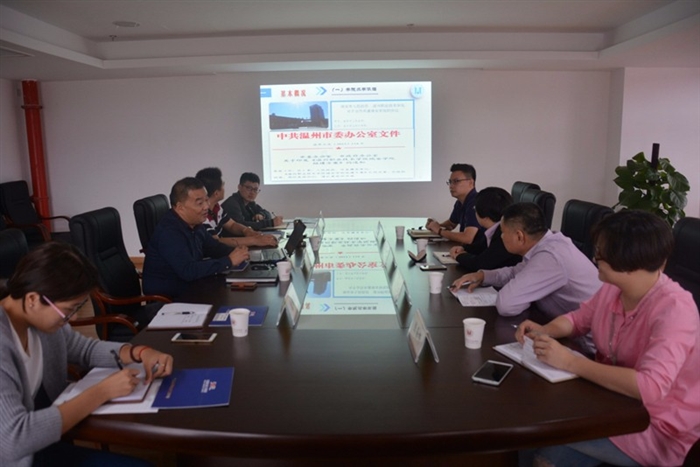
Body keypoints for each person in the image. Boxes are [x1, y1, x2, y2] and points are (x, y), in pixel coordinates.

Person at [516, 210, 700, 467]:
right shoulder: (613, 288)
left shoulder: (675, 309)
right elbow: (578, 319)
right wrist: (546, 330)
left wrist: (570, 362)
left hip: (654, 426)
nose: (595, 257)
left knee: (543, 445)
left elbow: (649, 387)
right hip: (609, 402)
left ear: (627, 259)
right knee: (530, 424)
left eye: (600, 252)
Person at [0, 242, 173, 467]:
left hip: (43, 445)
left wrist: (138, 352)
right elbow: (14, 439)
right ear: (33, 299)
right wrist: (102, 392)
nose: (71, 319)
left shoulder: (36, 318)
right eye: (68, 310)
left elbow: (84, 349)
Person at [451, 202, 601, 320]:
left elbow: (507, 305)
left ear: (519, 236)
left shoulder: (551, 256)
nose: (501, 237)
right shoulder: (547, 244)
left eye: (503, 232)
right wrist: (482, 276)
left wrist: (524, 294)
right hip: (562, 326)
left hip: (586, 342)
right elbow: (515, 273)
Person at [142, 177, 249, 299]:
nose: (206, 207)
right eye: (200, 203)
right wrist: (229, 261)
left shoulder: (195, 224)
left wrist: (238, 253)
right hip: (170, 298)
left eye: (206, 200)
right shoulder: (169, 232)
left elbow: (213, 247)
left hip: (191, 285)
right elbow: (188, 270)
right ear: (180, 207)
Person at [195, 168, 278, 249]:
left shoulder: (217, 207)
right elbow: (216, 242)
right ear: (216, 193)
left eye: (255, 189)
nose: (252, 192)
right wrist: (255, 240)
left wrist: (246, 231)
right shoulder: (203, 215)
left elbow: (232, 225)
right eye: (223, 185)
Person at [448, 187, 522, 273]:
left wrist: (458, 256)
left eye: (475, 209)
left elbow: (480, 264)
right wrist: (463, 248)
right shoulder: (494, 229)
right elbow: (480, 247)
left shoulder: (504, 235)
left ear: (485, 216)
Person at [425, 163, 482, 246]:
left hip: (480, 252)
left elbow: (467, 238)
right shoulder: (460, 202)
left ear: (470, 183)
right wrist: (435, 225)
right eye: (450, 182)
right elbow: (451, 224)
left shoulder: (476, 202)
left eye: (456, 181)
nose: (451, 186)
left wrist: (439, 230)